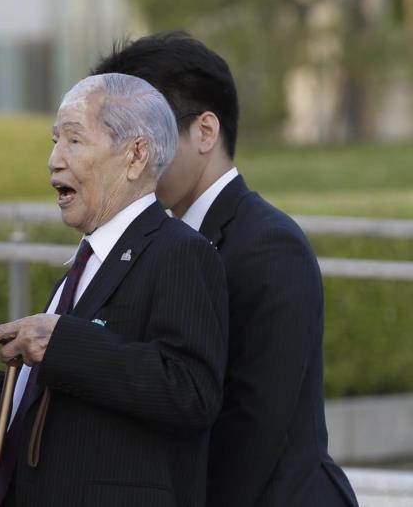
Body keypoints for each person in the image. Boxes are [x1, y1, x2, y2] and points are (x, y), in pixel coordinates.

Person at [92, 31, 359, 507]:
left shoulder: (269, 246)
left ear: (205, 132)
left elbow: (252, 427)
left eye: (147, 133)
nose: (133, 156)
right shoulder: (151, 242)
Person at [0, 73, 229, 507]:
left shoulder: (179, 252)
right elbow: (58, 393)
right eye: (55, 141)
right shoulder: (89, 260)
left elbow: (190, 391)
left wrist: (61, 340)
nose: (54, 160)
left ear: (135, 155)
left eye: (74, 141)